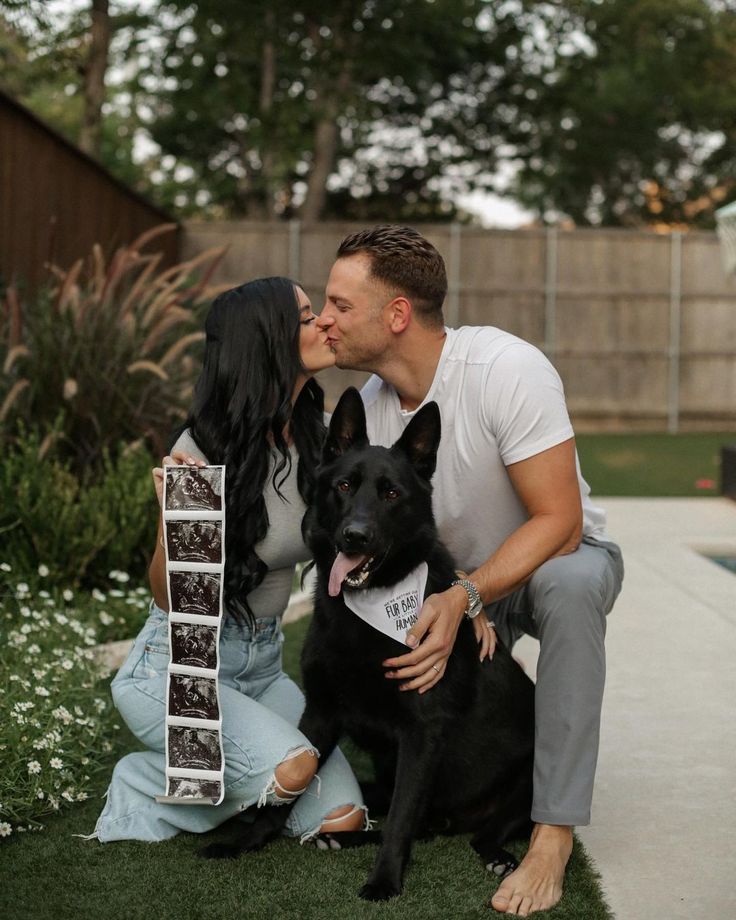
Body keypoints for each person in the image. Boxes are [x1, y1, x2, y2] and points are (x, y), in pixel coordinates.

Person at [316, 226, 624, 917]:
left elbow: (560, 521)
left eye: (338, 305)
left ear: (395, 315)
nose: (322, 319)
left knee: (571, 588)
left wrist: (468, 596)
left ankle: (552, 833)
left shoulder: (504, 369)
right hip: (449, 581)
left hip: (547, 564)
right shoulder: (364, 404)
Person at [92, 277, 366, 844]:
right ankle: (145, 781)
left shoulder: (312, 438)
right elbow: (174, 600)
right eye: (307, 315)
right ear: (267, 338)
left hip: (261, 668)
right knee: (290, 770)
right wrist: (175, 526)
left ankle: (230, 773)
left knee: (341, 819)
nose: (322, 324)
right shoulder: (202, 448)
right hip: (182, 666)